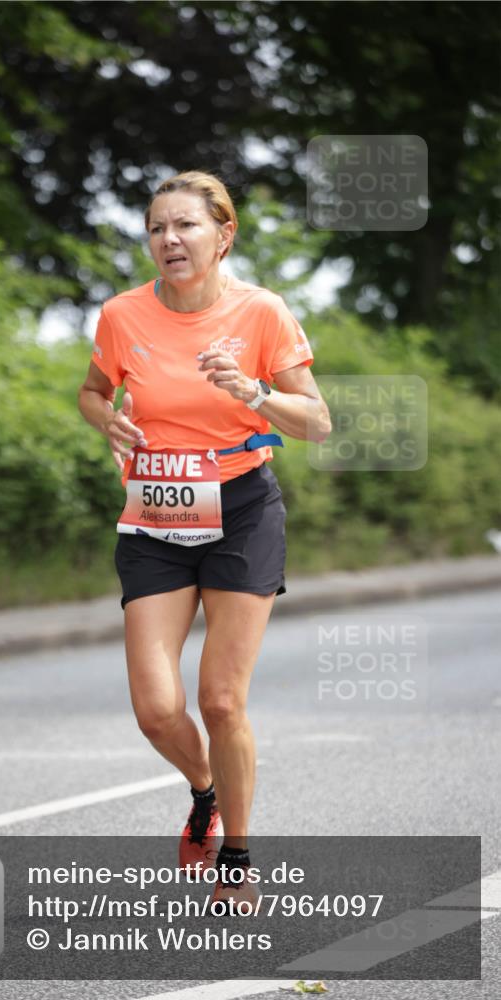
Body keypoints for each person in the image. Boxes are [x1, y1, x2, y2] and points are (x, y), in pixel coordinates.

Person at [78, 171, 331, 908]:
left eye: (185, 226)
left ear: (224, 236)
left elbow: (316, 421)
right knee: (157, 709)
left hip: (242, 507)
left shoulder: (261, 313)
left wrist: (252, 393)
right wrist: (108, 421)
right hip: (156, 515)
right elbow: (93, 391)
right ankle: (204, 788)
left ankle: (238, 858)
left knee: (220, 701)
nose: (168, 240)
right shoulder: (122, 315)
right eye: (157, 227)